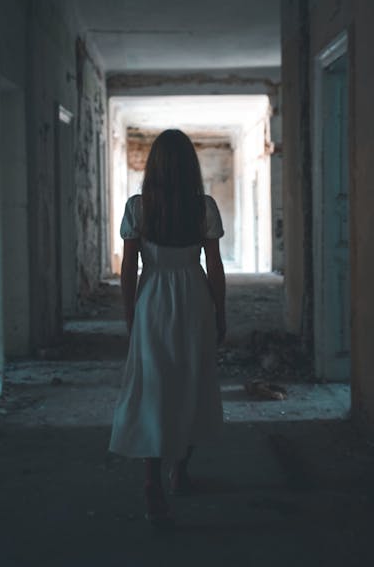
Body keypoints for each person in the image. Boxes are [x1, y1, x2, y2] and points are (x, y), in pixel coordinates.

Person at [109, 129, 226, 526]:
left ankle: (152, 481)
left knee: (154, 388)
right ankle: (181, 471)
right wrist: (221, 311)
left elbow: (129, 269)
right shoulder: (203, 208)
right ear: (190, 167)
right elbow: (214, 266)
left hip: (153, 299)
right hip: (194, 298)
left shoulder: (139, 208)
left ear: (153, 166)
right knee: (192, 381)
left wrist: (130, 315)